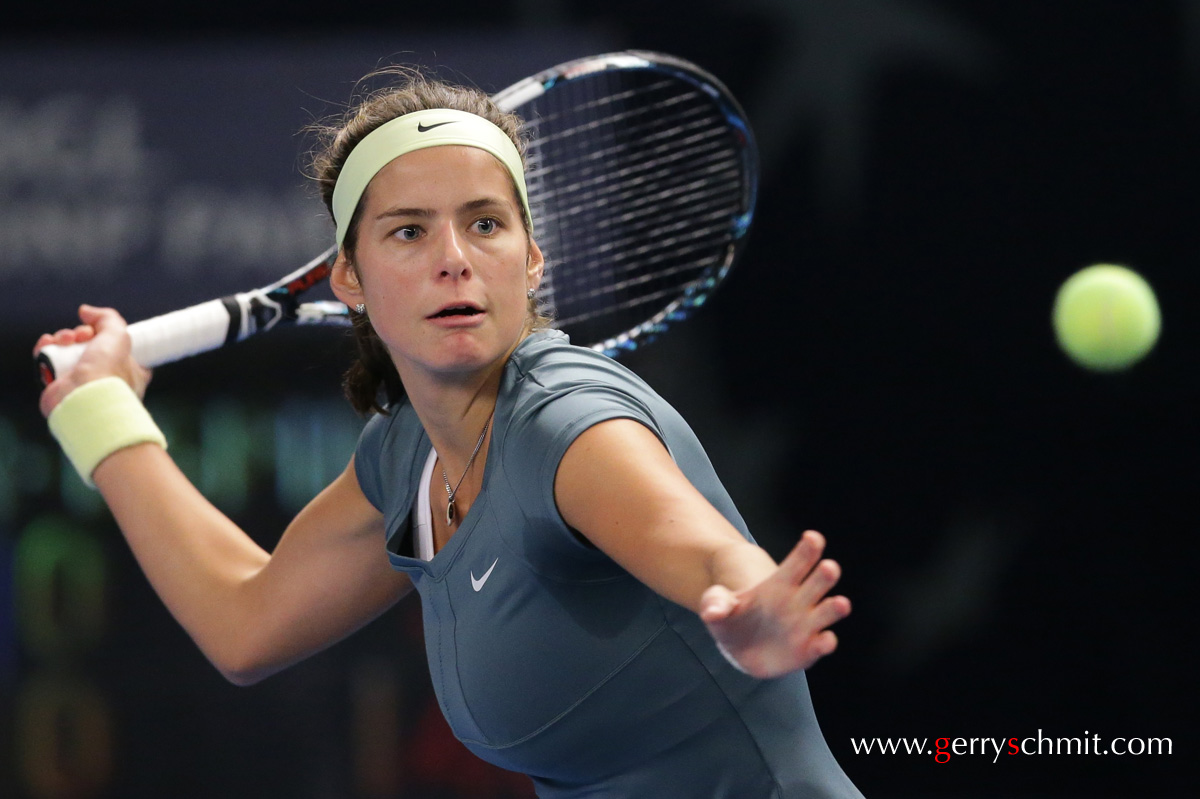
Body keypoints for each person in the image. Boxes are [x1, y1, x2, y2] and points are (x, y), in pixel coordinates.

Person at [36, 69, 864, 798]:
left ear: (532, 260)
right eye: (409, 230)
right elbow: (245, 622)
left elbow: (696, 541)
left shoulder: (565, 422)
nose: (455, 258)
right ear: (348, 278)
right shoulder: (405, 458)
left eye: (485, 224)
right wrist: (103, 410)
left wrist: (748, 599)